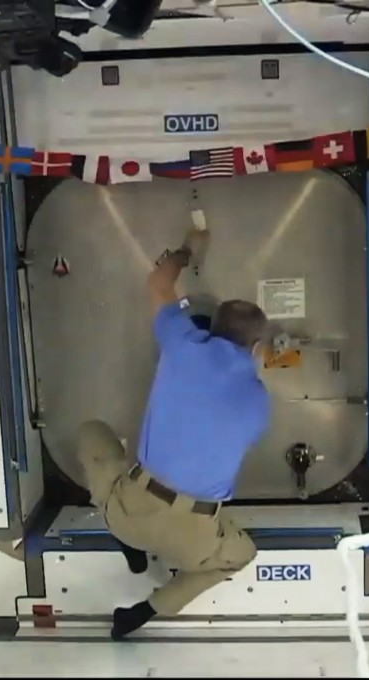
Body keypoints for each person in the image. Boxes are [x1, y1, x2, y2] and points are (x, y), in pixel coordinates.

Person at [77, 225, 272, 640]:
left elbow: (158, 282)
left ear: (210, 326)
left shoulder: (182, 341)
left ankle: (126, 540)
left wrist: (188, 248)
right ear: (256, 349)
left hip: (131, 508)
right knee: (239, 556)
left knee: (91, 432)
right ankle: (144, 612)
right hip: (193, 535)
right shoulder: (257, 399)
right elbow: (241, 436)